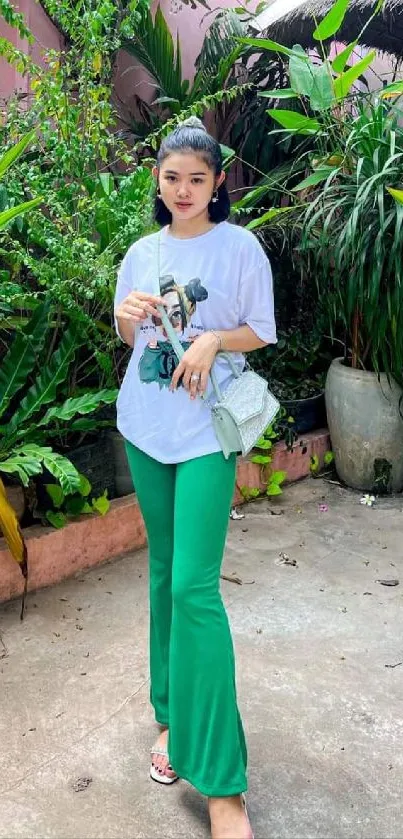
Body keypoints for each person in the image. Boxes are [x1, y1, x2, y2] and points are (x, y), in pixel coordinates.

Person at [114, 116, 277, 839]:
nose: (183, 190)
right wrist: (126, 316)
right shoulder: (141, 252)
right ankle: (171, 716)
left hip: (209, 431)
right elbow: (129, 336)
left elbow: (261, 329)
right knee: (160, 572)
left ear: (218, 184)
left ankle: (221, 784)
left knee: (193, 585)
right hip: (145, 425)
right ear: (157, 179)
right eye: (171, 177)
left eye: (197, 179)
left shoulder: (240, 247)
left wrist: (215, 335)